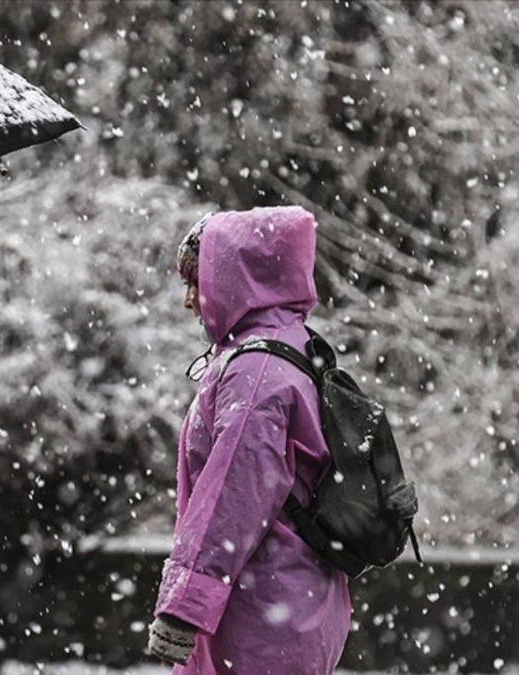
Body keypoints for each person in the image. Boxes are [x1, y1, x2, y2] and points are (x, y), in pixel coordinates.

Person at [147, 207, 351, 674]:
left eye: (196, 282)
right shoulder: (290, 347)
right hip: (290, 604)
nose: (188, 301)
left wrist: (185, 605)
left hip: (263, 617)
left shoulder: (256, 374)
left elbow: (232, 497)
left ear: (234, 279)